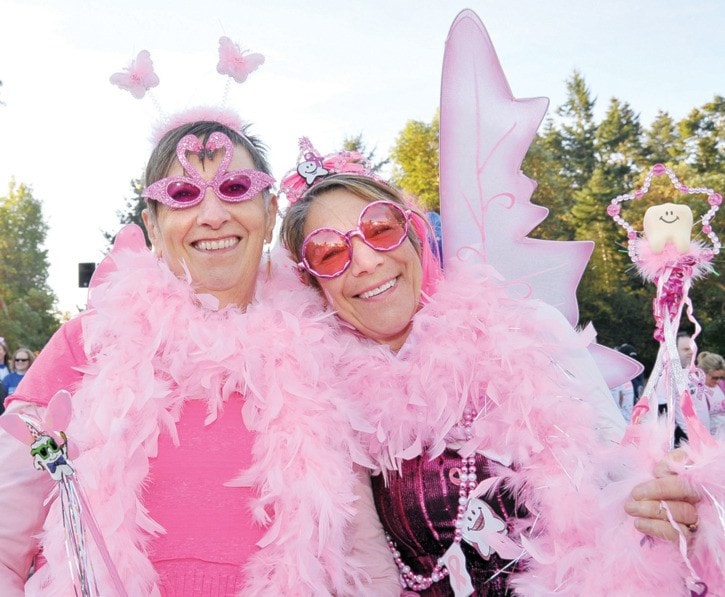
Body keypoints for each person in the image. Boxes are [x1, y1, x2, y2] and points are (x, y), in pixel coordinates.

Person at [280, 142, 723, 594]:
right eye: (329, 253)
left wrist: (656, 504)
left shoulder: (530, 330)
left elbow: (615, 474)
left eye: (379, 229)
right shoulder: (321, 400)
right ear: (313, 284)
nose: (367, 261)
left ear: (412, 235)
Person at [0, 118, 396, 595]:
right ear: (151, 224)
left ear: (270, 212)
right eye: (183, 194)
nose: (213, 214)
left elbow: (363, 554)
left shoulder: (324, 348)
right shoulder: (85, 345)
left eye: (235, 187)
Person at [697, 351, 725, 436]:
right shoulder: (697, 390)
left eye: (721, 377)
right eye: (714, 378)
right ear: (703, 373)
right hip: (709, 438)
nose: (718, 381)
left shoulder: (722, 385)